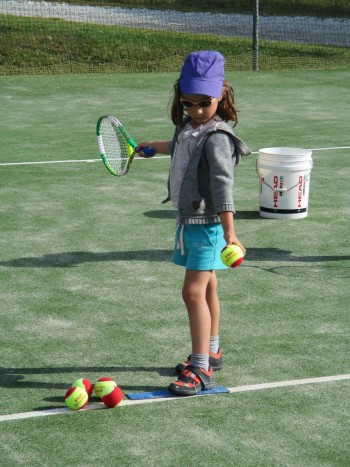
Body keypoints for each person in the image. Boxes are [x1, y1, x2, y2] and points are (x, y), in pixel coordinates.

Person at [137, 51, 251, 396]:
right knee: (209, 286)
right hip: (193, 221)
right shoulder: (190, 127)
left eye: (205, 103)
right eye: (189, 103)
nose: (198, 110)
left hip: (207, 225)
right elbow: (178, 145)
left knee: (192, 292)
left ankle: (201, 369)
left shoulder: (217, 137)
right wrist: (152, 147)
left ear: (221, 96)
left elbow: (222, 185)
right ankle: (212, 350)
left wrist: (231, 233)